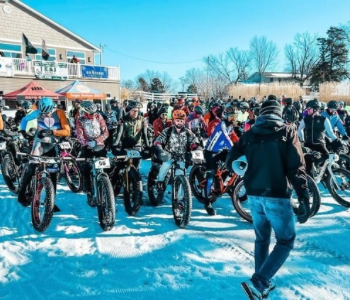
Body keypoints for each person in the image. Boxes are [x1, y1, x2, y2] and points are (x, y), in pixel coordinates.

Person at [226, 99, 310, 300]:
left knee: (262, 239)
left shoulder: (249, 134)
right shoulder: (288, 131)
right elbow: (296, 167)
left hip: (254, 194)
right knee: (285, 240)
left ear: (261, 114)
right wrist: (303, 195)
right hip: (277, 194)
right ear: (279, 114)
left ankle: (260, 287)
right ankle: (259, 282)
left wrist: (242, 167)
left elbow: (231, 160)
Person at [18, 97, 70, 208]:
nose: (45, 115)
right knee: (32, 165)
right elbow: (24, 120)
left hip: (53, 144)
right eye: (43, 113)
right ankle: (22, 193)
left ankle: (51, 201)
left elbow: (67, 131)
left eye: (47, 112)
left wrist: (51, 131)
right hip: (40, 143)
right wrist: (23, 131)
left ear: (52, 107)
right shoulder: (38, 112)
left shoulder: (59, 113)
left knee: (53, 174)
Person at [153, 109, 198, 203]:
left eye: (181, 121)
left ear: (184, 121)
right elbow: (159, 139)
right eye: (177, 120)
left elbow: (194, 141)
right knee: (164, 169)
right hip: (169, 155)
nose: (179, 123)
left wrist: (195, 148)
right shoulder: (168, 130)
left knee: (181, 175)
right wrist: (159, 147)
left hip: (181, 157)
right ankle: (160, 183)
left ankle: (179, 199)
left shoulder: (187, 132)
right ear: (173, 121)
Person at [204, 105, 239, 215]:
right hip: (211, 152)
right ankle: (207, 202)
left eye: (235, 116)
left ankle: (226, 185)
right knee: (211, 176)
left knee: (232, 164)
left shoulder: (230, 126)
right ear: (226, 116)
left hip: (221, 150)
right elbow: (226, 138)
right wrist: (234, 149)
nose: (234, 119)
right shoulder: (222, 125)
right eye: (231, 117)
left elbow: (234, 138)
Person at [76, 101, 109, 205]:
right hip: (87, 146)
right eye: (91, 113)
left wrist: (98, 140)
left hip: (99, 144)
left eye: (95, 112)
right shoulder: (80, 120)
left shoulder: (99, 117)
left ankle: (107, 187)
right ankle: (88, 188)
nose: (93, 115)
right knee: (85, 166)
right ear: (85, 112)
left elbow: (105, 132)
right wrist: (86, 142)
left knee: (106, 165)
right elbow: (79, 135)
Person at [298, 99, 341, 175]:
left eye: (309, 109)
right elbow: (299, 130)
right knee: (307, 166)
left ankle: (323, 173)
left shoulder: (324, 119)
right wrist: (302, 140)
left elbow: (330, 133)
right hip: (308, 145)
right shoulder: (305, 119)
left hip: (320, 145)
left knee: (327, 157)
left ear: (315, 109)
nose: (307, 111)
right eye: (307, 109)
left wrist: (336, 141)